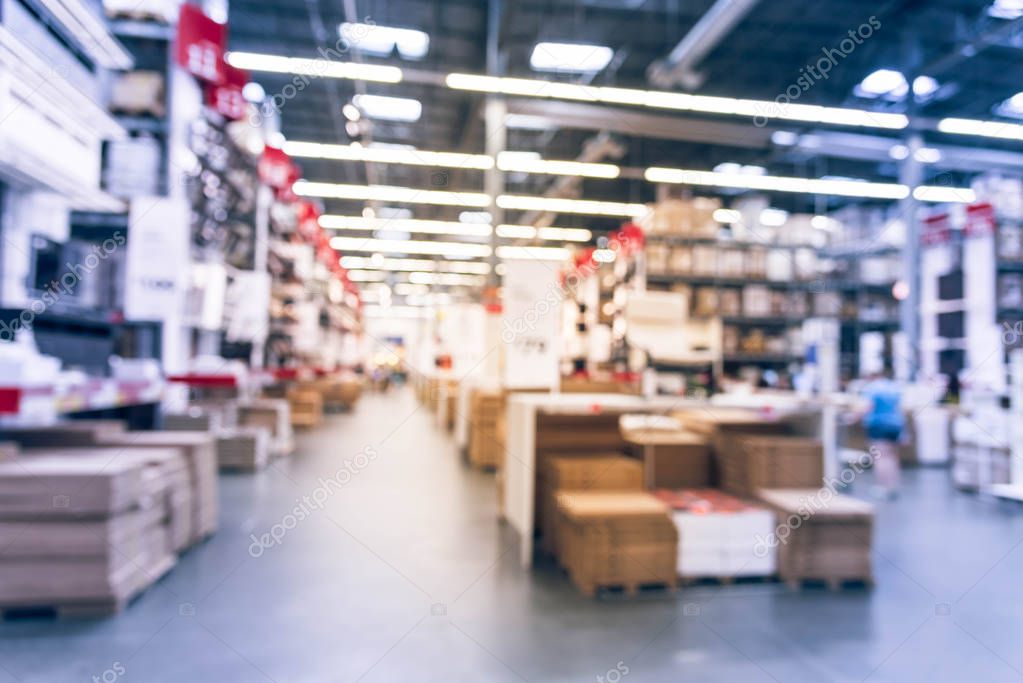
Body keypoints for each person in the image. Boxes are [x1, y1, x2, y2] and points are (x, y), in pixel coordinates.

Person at [861, 365, 904, 498]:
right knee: (892, 457)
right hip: (896, 425)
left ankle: (883, 487)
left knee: (880, 457)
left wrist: (851, 417)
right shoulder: (893, 387)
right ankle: (893, 486)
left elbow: (868, 406)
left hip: (879, 425)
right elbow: (899, 407)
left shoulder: (873, 388)